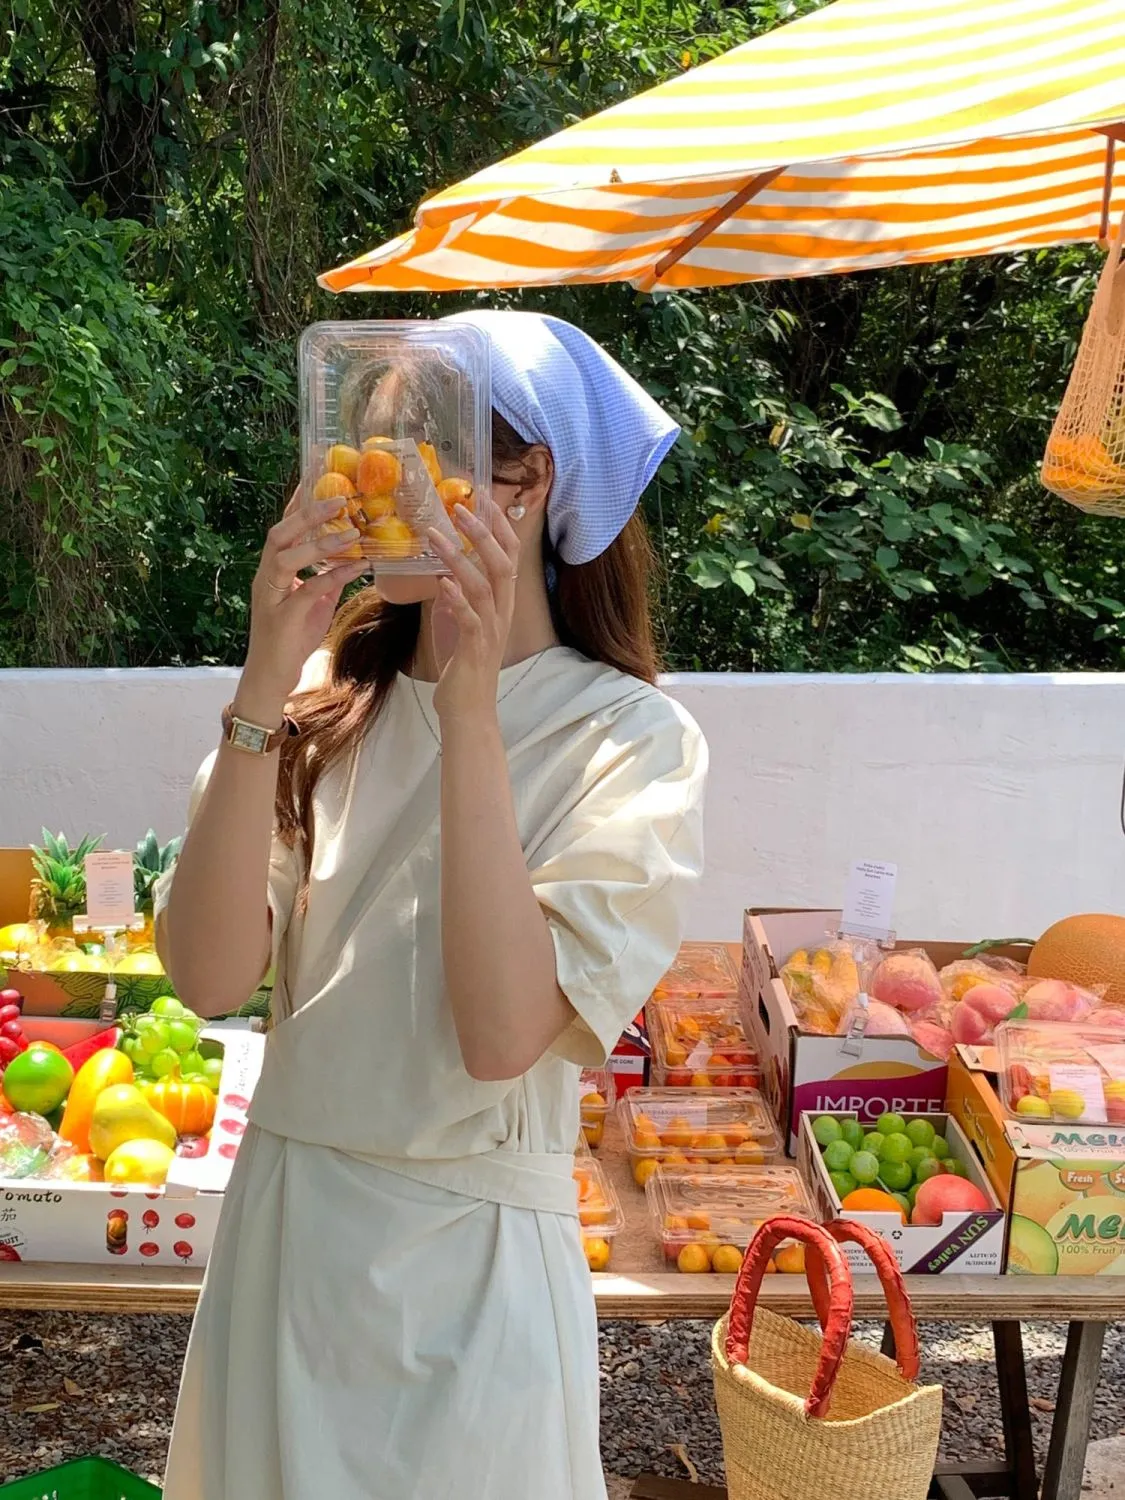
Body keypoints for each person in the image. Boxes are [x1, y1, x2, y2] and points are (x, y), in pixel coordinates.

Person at [155, 309, 707, 1500]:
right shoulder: (319, 701)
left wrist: (469, 713)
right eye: (368, 442)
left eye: (424, 446)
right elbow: (207, 975)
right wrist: (263, 677)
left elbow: (502, 1033)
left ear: (528, 480)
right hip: (289, 1248)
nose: (381, 480)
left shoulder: (629, 740)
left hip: (476, 1290)